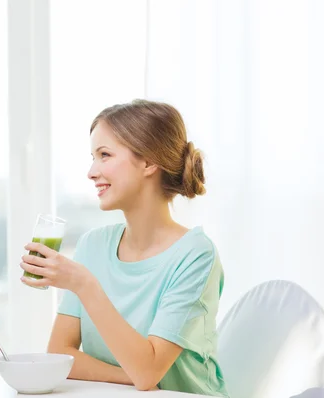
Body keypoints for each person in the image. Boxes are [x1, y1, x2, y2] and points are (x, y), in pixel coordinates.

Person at [20, 99, 228, 396]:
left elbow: (147, 371)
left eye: (104, 155)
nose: (91, 171)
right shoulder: (93, 245)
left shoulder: (195, 255)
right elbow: (59, 355)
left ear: (148, 162)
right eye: (93, 157)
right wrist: (127, 376)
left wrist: (85, 285)